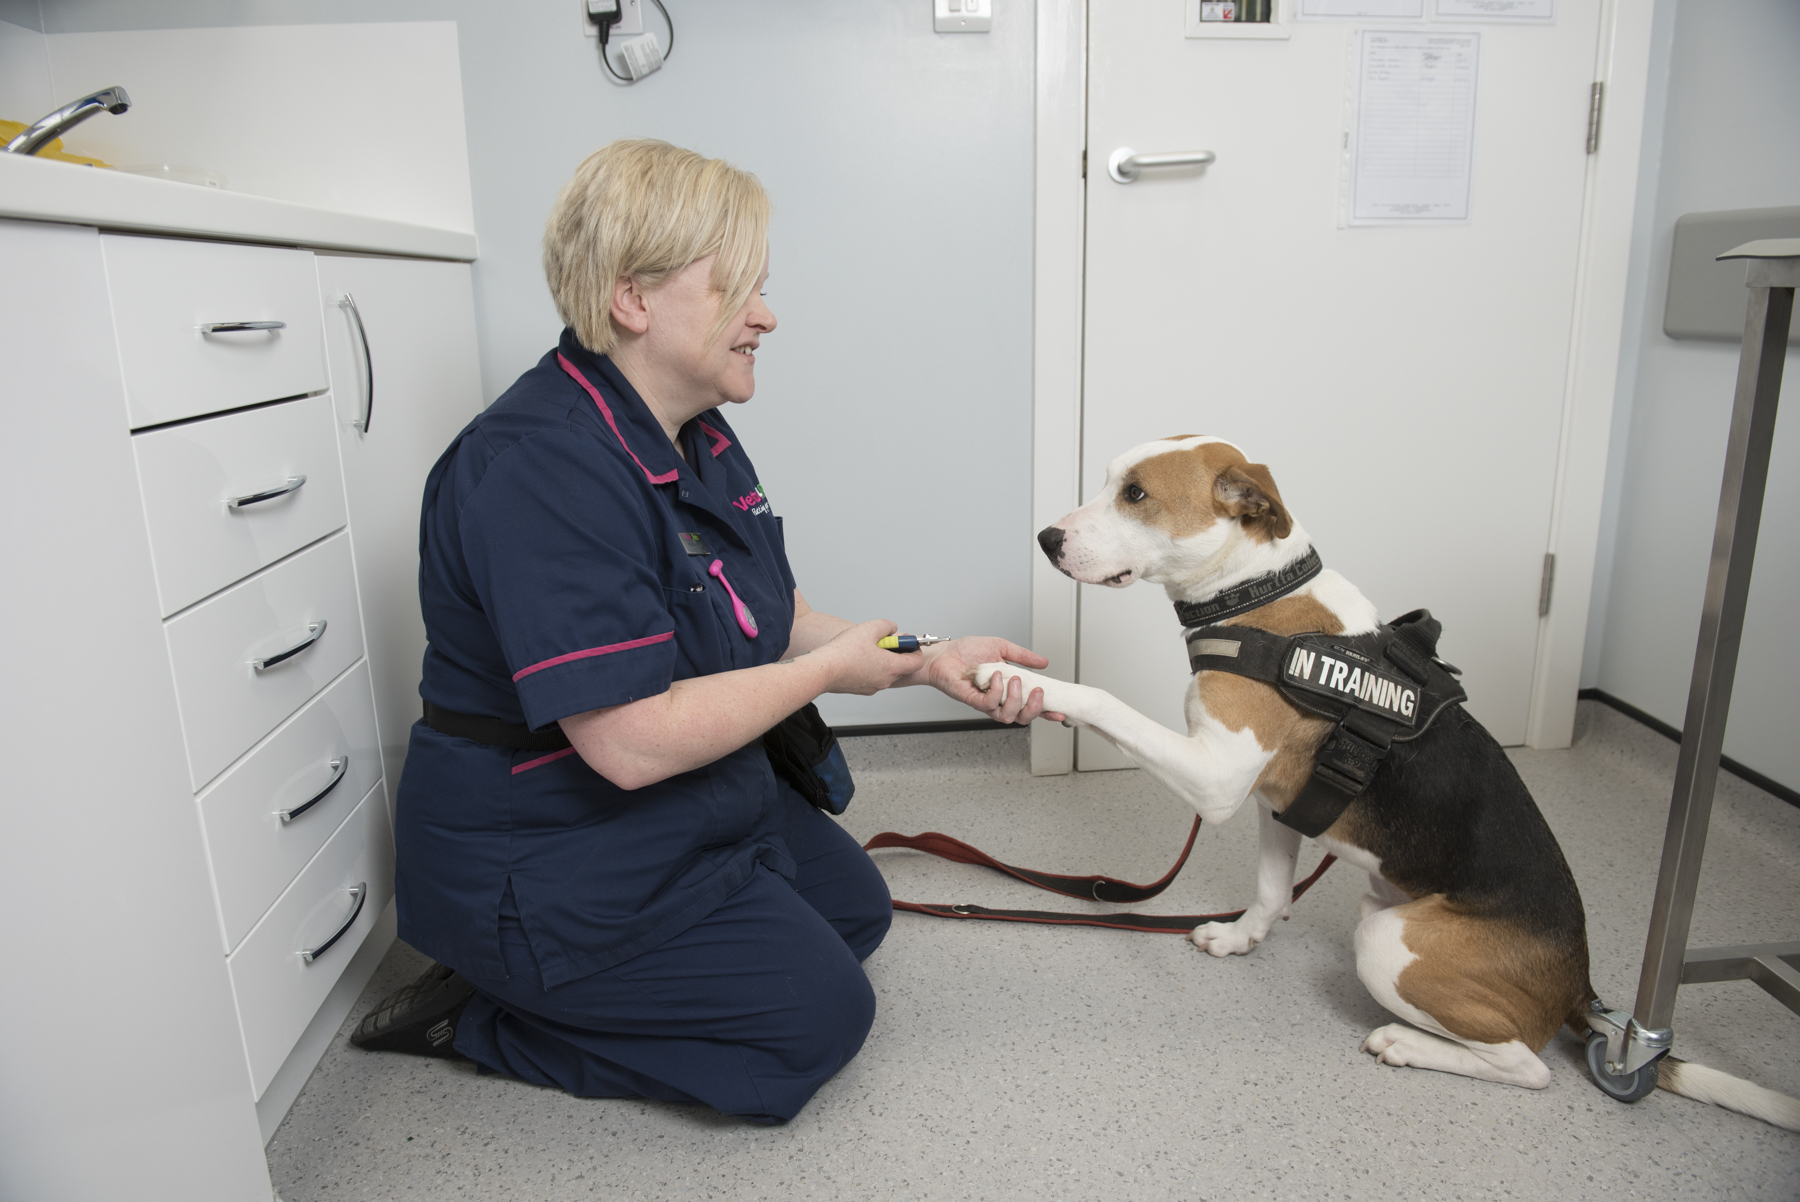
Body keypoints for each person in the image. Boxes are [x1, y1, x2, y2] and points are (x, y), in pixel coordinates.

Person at [354, 139, 1055, 1124]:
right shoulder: (539, 467)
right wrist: (828, 675)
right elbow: (631, 742)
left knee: (854, 910)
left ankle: (612, 967)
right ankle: (481, 1012)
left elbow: (776, 616)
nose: (766, 315)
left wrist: (927, 659)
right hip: (545, 844)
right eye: (737, 287)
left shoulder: (695, 428)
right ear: (632, 298)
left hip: (676, 798)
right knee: (815, 1023)